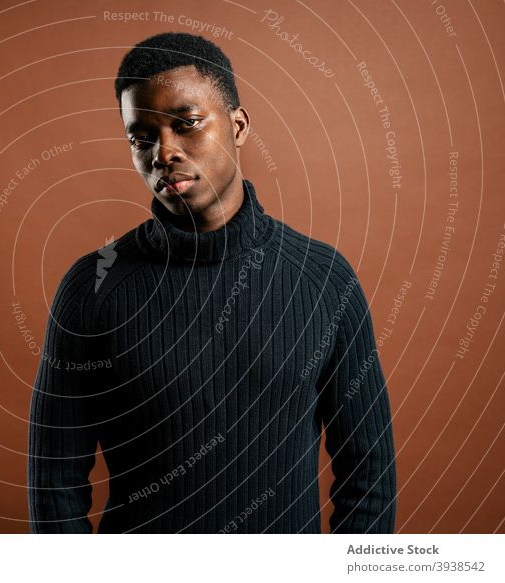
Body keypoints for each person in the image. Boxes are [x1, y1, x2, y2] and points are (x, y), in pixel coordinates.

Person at [27, 31, 396, 533]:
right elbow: (54, 483)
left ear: (238, 126)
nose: (164, 152)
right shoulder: (92, 286)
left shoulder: (324, 280)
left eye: (187, 124)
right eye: (142, 137)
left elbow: (368, 474)